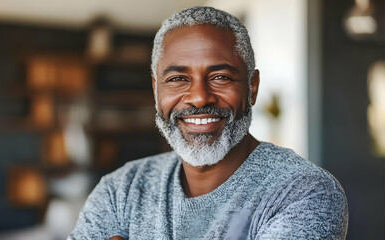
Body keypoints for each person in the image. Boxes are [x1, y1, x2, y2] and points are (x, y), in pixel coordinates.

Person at [69, 6, 348, 240]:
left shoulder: (302, 193)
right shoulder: (120, 191)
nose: (200, 97)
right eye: (178, 79)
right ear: (156, 90)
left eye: (220, 77)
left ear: (252, 87)